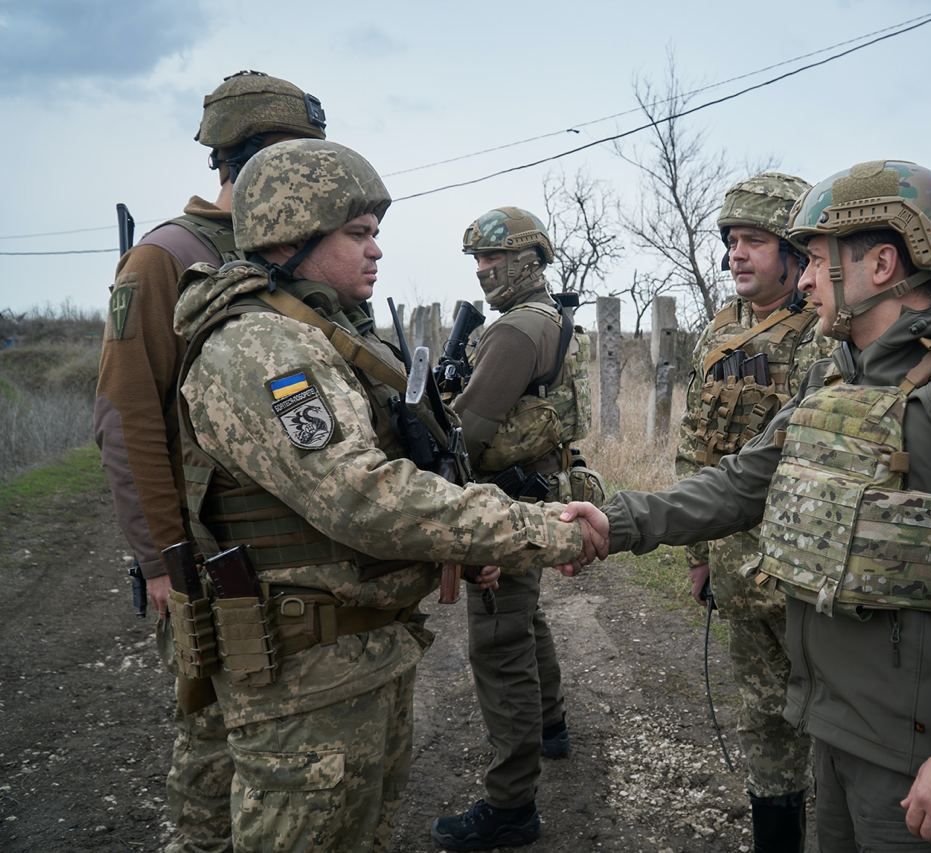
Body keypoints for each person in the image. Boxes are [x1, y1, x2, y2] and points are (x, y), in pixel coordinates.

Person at [559, 160, 931, 850]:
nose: (804, 279)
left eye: (814, 259)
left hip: (915, 749)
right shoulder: (837, 375)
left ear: (881, 263)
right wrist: (621, 520)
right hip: (835, 722)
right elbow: (745, 480)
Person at [172, 139, 598, 851]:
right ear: (293, 233)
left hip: (353, 657)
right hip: (304, 681)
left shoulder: (317, 333)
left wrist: (463, 546)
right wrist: (540, 529)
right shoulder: (262, 348)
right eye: (358, 234)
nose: (376, 251)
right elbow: (362, 495)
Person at [93, 69, 327, 853]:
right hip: (211, 557)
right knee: (213, 758)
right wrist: (161, 559)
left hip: (297, 561)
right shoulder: (165, 258)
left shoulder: (291, 252)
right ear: (252, 159)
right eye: (299, 159)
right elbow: (126, 416)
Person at [431, 207, 601, 851]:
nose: (483, 272)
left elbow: (466, 436)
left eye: (493, 260)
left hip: (503, 502)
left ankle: (511, 806)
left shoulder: (514, 333)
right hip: (537, 492)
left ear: (527, 259)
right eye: (477, 261)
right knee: (526, 622)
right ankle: (551, 727)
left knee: (499, 645)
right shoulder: (553, 319)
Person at [674, 171, 829, 851]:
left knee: (835, 720)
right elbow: (693, 445)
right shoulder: (718, 331)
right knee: (764, 720)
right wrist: (698, 552)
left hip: (805, 575)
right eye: (732, 241)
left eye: (755, 241)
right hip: (738, 569)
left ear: (795, 254)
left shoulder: (822, 337)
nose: (738, 253)